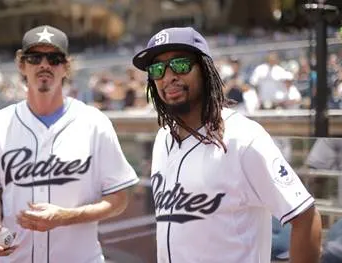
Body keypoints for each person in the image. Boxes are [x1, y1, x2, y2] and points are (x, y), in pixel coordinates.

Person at [132, 26, 321, 263]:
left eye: (180, 65)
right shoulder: (163, 139)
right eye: (157, 69)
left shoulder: (243, 137)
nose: (168, 77)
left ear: (205, 69)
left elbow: (305, 217)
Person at [0, 25, 139, 263]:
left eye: (54, 58)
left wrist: (66, 217)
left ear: (66, 67)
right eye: (35, 57)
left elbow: (118, 199)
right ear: (22, 65)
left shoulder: (94, 122)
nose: (44, 65)